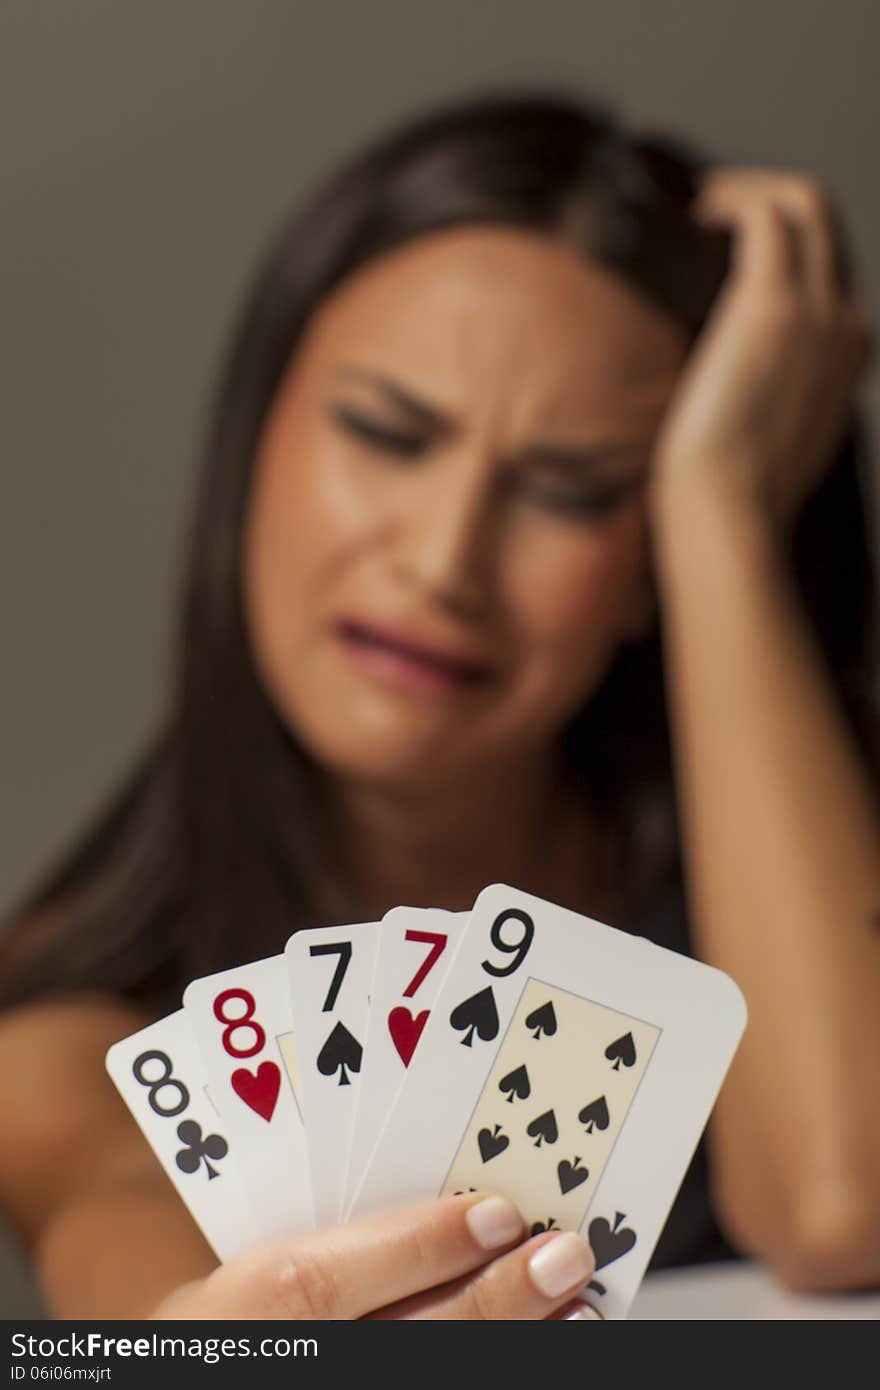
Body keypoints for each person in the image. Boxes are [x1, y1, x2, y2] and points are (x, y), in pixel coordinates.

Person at [0, 89, 878, 1320]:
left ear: (647, 572)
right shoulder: (67, 1012)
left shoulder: (798, 876)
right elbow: (160, 1303)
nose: (442, 561)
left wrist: (720, 514)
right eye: (387, 432)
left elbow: (847, 1207)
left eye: (572, 491)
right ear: (257, 440)